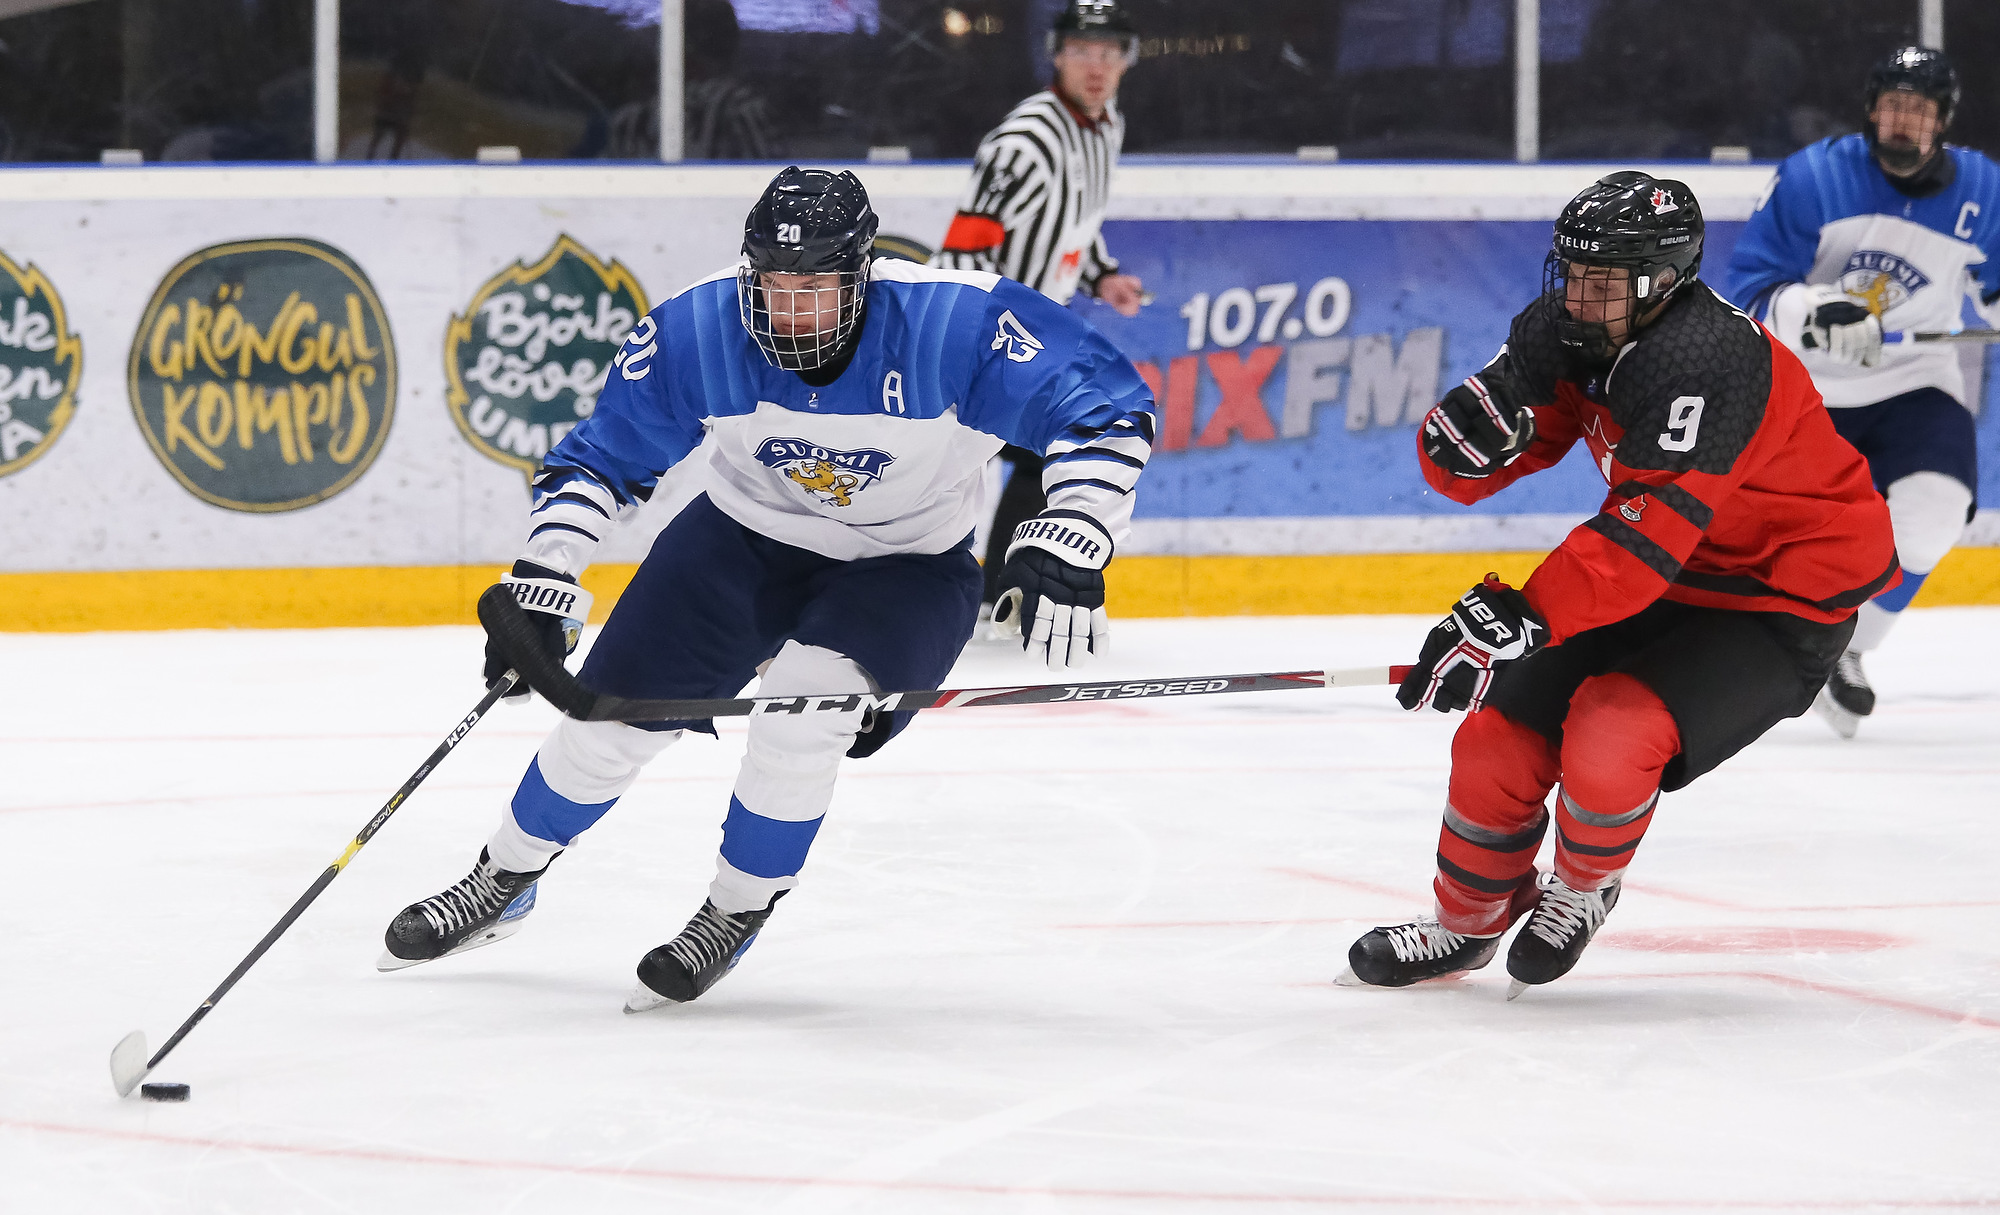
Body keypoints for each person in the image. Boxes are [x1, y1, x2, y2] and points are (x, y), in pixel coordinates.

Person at [377, 167, 1156, 1011]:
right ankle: (505, 877)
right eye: (773, 285)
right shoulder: (700, 327)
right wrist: (544, 576)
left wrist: (1075, 529)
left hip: (907, 565)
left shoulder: (953, 321)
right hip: (740, 539)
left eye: (815, 287)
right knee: (605, 718)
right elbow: (601, 457)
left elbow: (1107, 405)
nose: (789, 310)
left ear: (862, 273)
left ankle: (734, 911)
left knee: (804, 708)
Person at [1342, 172, 1897, 997]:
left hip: (1783, 595)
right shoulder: (1567, 326)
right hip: (1662, 576)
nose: (1575, 296)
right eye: (1570, 272)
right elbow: (1515, 445)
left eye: (1601, 282)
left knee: (1612, 730)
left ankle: (1583, 883)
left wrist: (1523, 614)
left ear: (1663, 282)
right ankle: (1463, 923)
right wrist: (1454, 447)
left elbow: (1643, 541)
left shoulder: (1707, 360)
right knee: (1495, 741)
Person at [1725, 46, 1999, 738]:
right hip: (1807, 393)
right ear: (1871, 111)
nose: (1903, 121)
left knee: (1935, 512)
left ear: (1943, 121)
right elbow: (1750, 289)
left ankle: (1848, 649)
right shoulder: (1814, 176)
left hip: (1913, 385)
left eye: (1920, 109)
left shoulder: (1984, 190)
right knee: (1766, 546)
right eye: (1892, 105)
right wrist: (1813, 311)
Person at [932, 0, 1149, 613]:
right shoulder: (1024, 142)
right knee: (951, 467)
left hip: (1033, 339)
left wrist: (1102, 276)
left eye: (1110, 53)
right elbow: (963, 248)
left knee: (1044, 450)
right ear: (1057, 55)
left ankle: (999, 592)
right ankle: (986, 592)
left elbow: (1077, 222)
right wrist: (966, 350)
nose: (1097, 66)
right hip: (982, 338)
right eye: (1082, 51)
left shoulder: (1107, 125)